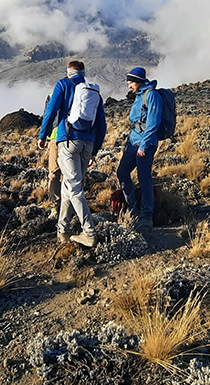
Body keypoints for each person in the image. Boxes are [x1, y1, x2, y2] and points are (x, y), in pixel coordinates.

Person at [37, 60, 107, 247]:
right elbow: (102, 124)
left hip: (68, 140)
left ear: (68, 72)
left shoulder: (63, 84)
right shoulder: (93, 92)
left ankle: (89, 233)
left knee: (75, 189)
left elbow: (51, 111)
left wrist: (43, 135)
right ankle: (63, 231)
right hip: (88, 143)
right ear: (83, 73)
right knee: (67, 187)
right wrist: (95, 150)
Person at [117, 66, 161, 229]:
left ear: (138, 81)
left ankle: (146, 215)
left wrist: (144, 145)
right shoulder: (138, 96)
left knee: (144, 178)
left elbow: (153, 123)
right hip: (133, 140)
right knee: (122, 172)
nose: (129, 85)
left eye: (131, 82)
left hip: (146, 143)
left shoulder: (152, 95)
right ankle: (132, 207)